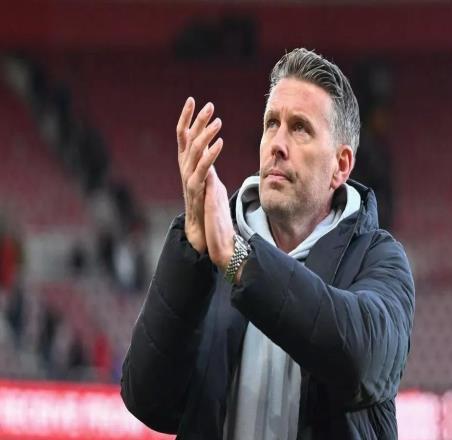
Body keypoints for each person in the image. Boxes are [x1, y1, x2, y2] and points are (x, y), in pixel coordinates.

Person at [121, 48, 415, 439]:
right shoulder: (208, 251)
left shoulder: (378, 259)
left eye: (300, 128)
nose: (277, 143)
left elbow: (362, 364)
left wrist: (241, 263)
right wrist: (189, 254)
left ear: (341, 166)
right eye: (271, 123)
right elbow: (148, 399)